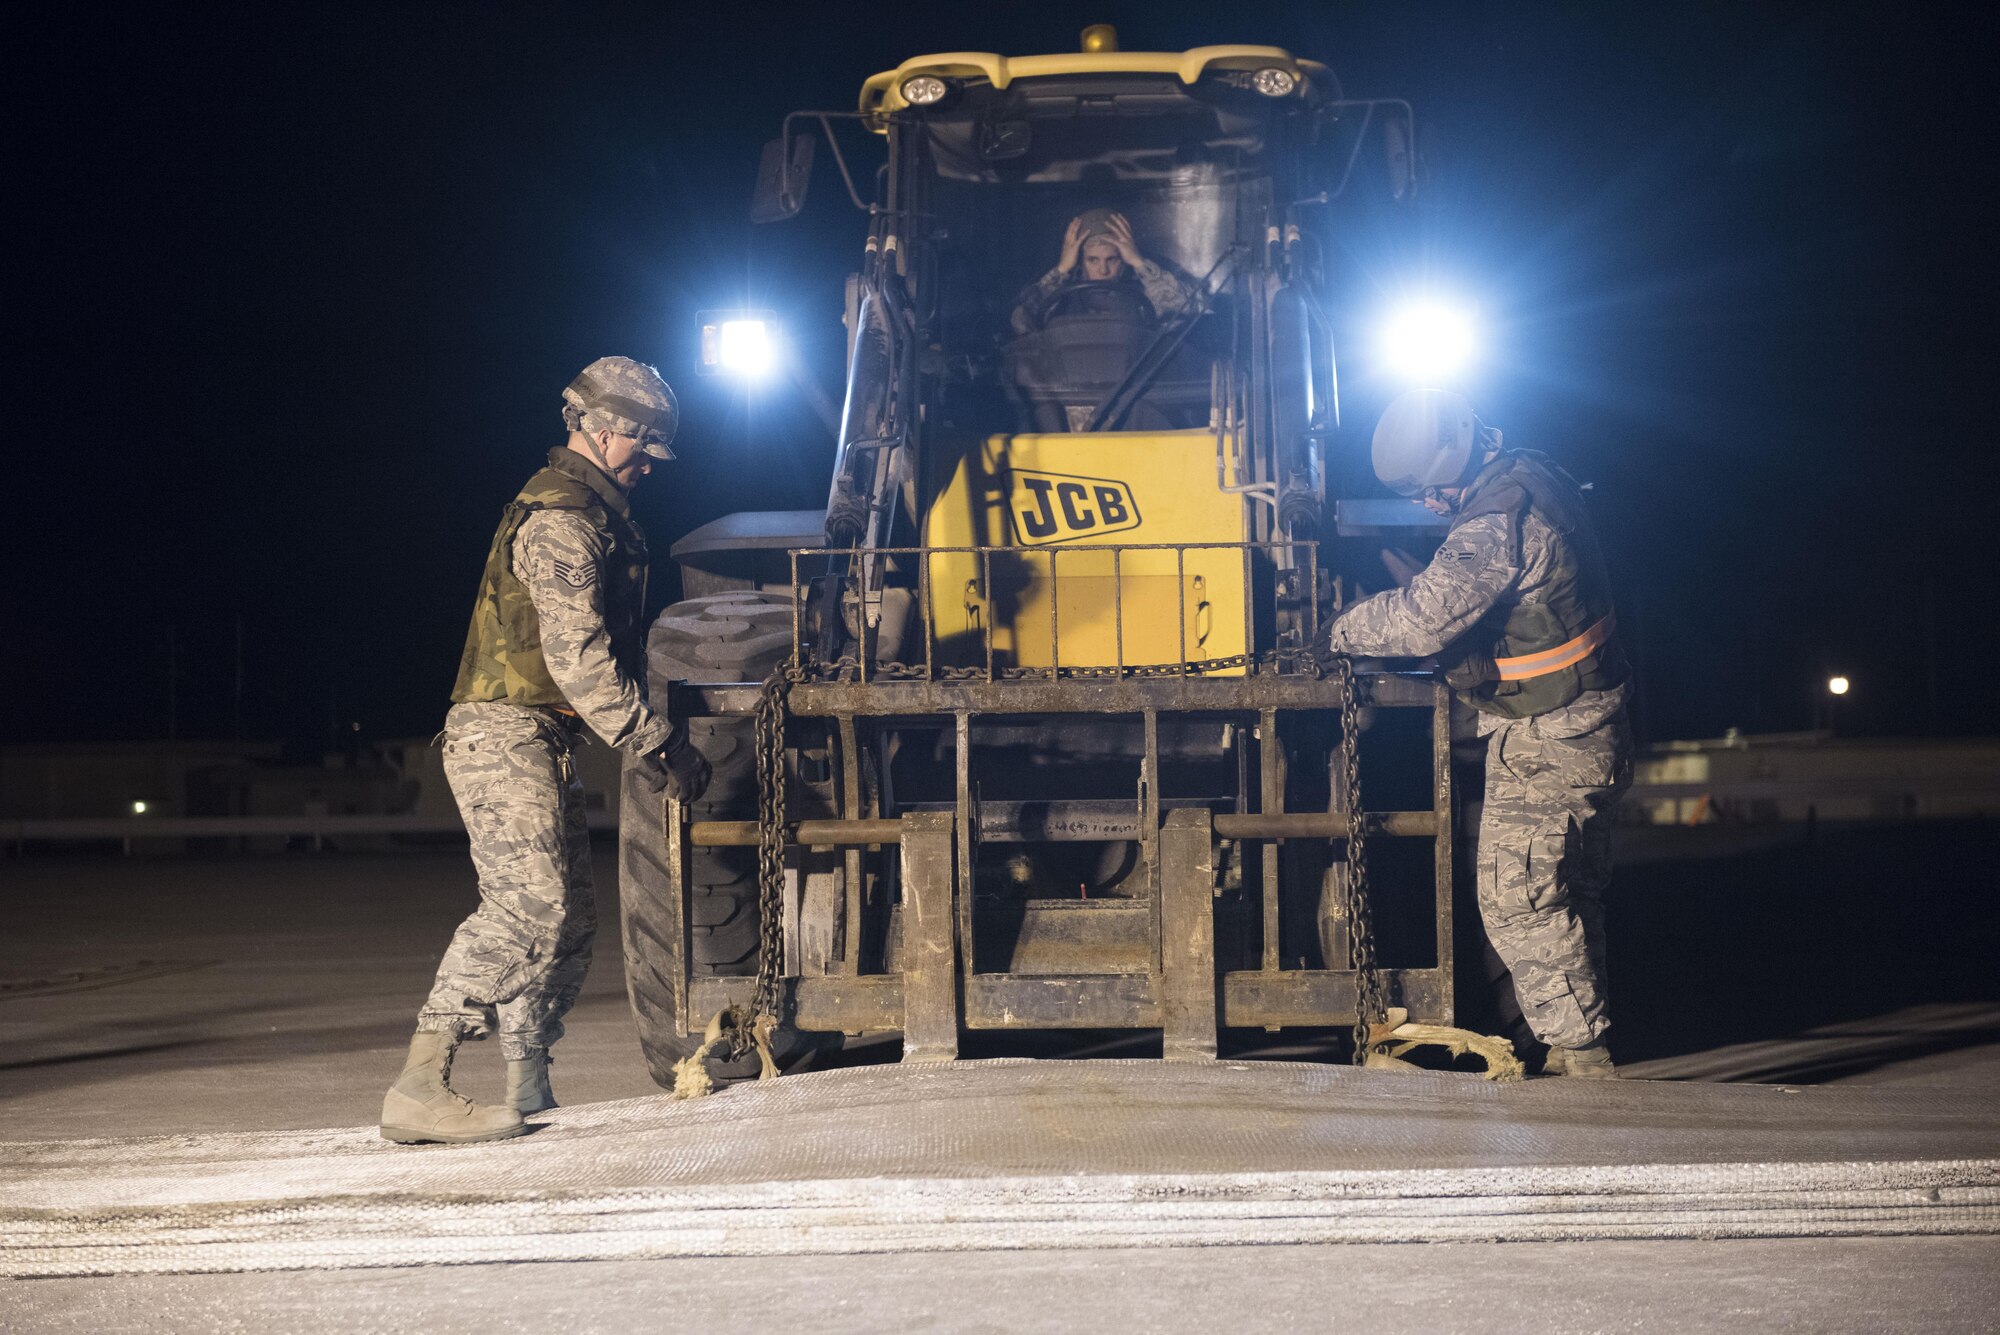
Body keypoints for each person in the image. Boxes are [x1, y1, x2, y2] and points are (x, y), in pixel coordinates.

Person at [380, 356, 712, 1144]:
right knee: (528, 907)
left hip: (543, 736)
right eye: (643, 451)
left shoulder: (595, 512)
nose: (649, 468)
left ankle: (527, 1078)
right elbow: (577, 659)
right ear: (604, 433)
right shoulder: (563, 518)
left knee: (569, 921)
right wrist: (657, 743)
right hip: (503, 733)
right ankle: (420, 1082)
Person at [1327, 389, 1632, 1078]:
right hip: (1584, 723)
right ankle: (1583, 1051)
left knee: (1516, 899)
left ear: (1455, 460)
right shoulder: (1532, 473)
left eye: (1433, 493)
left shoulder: (1499, 518)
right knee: (1564, 899)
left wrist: (1339, 632)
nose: (1432, 507)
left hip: (1551, 736)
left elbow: (1421, 619)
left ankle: (1582, 1062)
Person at [1009, 208, 1197, 335]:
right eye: (1092, 260)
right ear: (1080, 261)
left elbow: (1187, 308)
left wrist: (1139, 262)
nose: (1103, 270)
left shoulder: (1145, 291)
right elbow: (1020, 320)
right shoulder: (1059, 297)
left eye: (1112, 259)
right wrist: (1062, 270)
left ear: (1123, 260)